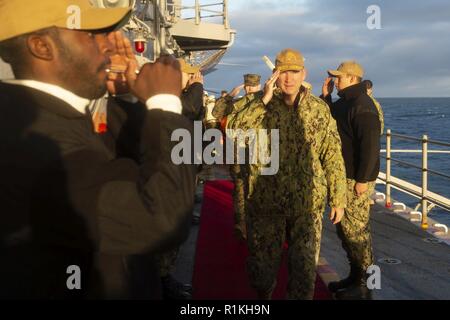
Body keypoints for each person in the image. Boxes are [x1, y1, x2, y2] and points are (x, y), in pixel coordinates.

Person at [0, 0, 196, 299]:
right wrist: (165, 105)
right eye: (92, 35)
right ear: (42, 46)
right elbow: (161, 219)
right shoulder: (33, 142)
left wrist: (129, 98)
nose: (111, 45)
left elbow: (125, 167)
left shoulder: (47, 116)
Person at [229, 49, 347, 300]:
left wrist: (338, 196)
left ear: (303, 73)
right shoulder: (259, 103)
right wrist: (262, 101)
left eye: (294, 72)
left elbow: (332, 152)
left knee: (304, 273)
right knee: (261, 273)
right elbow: (234, 132)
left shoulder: (318, 109)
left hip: (306, 204)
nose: (289, 78)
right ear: (275, 75)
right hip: (265, 202)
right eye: (283, 72)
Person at [321, 61, 381, 300]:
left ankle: (366, 286)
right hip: (342, 177)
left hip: (356, 178)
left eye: (339, 78)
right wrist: (326, 97)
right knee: (345, 230)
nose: (336, 81)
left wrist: (363, 180)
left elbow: (370, 145)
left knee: (357, 233)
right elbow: (333, 119)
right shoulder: (347, 102)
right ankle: (355, 276)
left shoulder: (362, 105)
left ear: (352, 78)